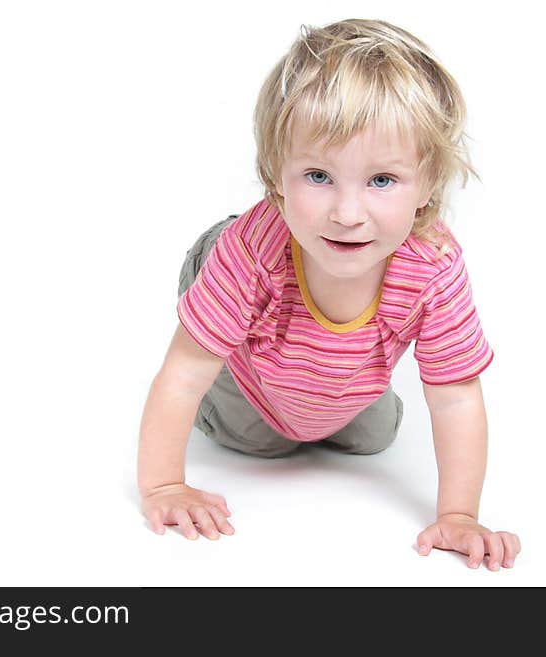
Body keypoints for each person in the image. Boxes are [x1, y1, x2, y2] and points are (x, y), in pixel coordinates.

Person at [137, 18, 520, 570]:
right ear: (275, 173)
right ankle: (219, 286)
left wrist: (458, 514)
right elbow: (185, 371)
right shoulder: (252, 251)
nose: (346, 214)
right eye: (317, 175)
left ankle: (326, 386)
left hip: (336, 366)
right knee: (259, 441)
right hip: (253, 341)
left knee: (375, 435)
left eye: (381, 180)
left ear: (430, 182)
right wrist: (164, 484)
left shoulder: (433, 265)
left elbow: (456, 395)